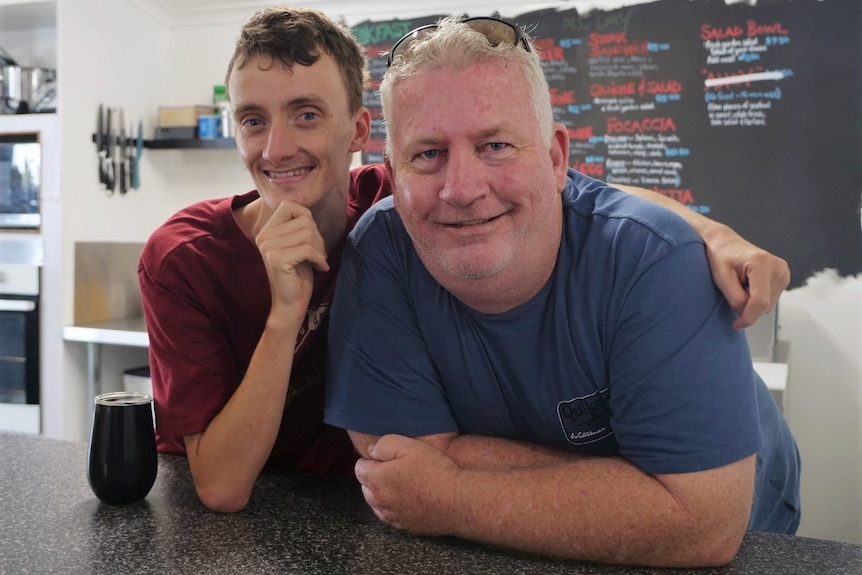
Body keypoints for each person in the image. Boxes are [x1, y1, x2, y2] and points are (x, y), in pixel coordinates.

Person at [139, 7, 788, 514]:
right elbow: (220, 488)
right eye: (252, 120)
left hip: (376, 499)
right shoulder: (188, 257)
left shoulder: (393, 203)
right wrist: (286, 314)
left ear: (360, 134)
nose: (277, 145)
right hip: (288, 512)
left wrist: (709, 231)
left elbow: (564, 187)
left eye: (306, 114)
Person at [323, 16, 801, 568]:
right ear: (392, 171)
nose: (460, 189)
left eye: (495, 144)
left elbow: (703, 523)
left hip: (753, 531)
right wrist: (623, 491)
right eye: (427, 154)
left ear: (555, 158)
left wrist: (452, 495)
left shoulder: (656, 260)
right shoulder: (381, 251)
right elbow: (399, 462)